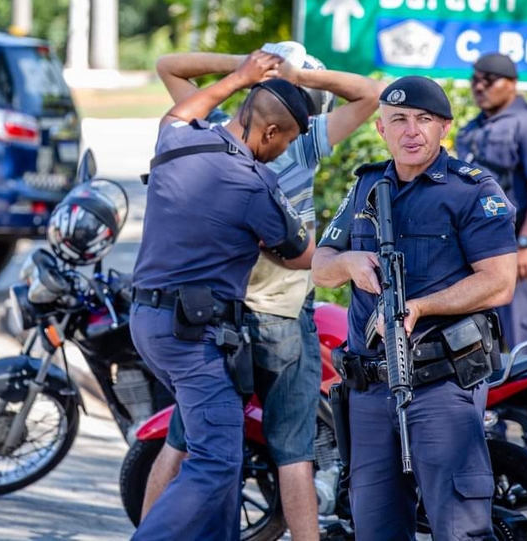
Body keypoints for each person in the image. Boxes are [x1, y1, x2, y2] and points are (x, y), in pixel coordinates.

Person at [139, 49, 386, 540]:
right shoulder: (299, 145)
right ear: (279, 128)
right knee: (293, 451)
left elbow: (166, 64)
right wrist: (300, 75)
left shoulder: (196, 133)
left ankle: (149, 525)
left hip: (205, 315)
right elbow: (372, 93)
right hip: (277, 312)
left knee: (185, 442)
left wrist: (245, 67)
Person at [312, 76, 517, 539]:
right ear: (381, 129)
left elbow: (499, 282)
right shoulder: (366, 186)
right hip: (369, 388)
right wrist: (347, 262)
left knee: (458, 527)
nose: (411, 131)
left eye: (424, 120)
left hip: (440, 385)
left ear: (444, 126)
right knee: (375, 527)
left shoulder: (470, 190)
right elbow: (320, 268)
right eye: (398, 120)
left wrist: (420, 307)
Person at [130, 50, 314, 540]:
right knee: (215, 460)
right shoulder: (254, 183)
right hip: (194, 335)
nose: (284, 151)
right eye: (288, 141)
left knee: (220, 460)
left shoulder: (177, 141)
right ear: (271, 133)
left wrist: (243, 72)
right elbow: (299, 254)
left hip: (148, 321)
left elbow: (175, 93)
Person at [455, 52, 527, 353]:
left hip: (515, 246)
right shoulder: (471, 128)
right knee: (480, 336)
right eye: (475, 80)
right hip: (475, 248)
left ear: (512, 84)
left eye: (488, 81)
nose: (479, 87)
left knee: (522, 336)